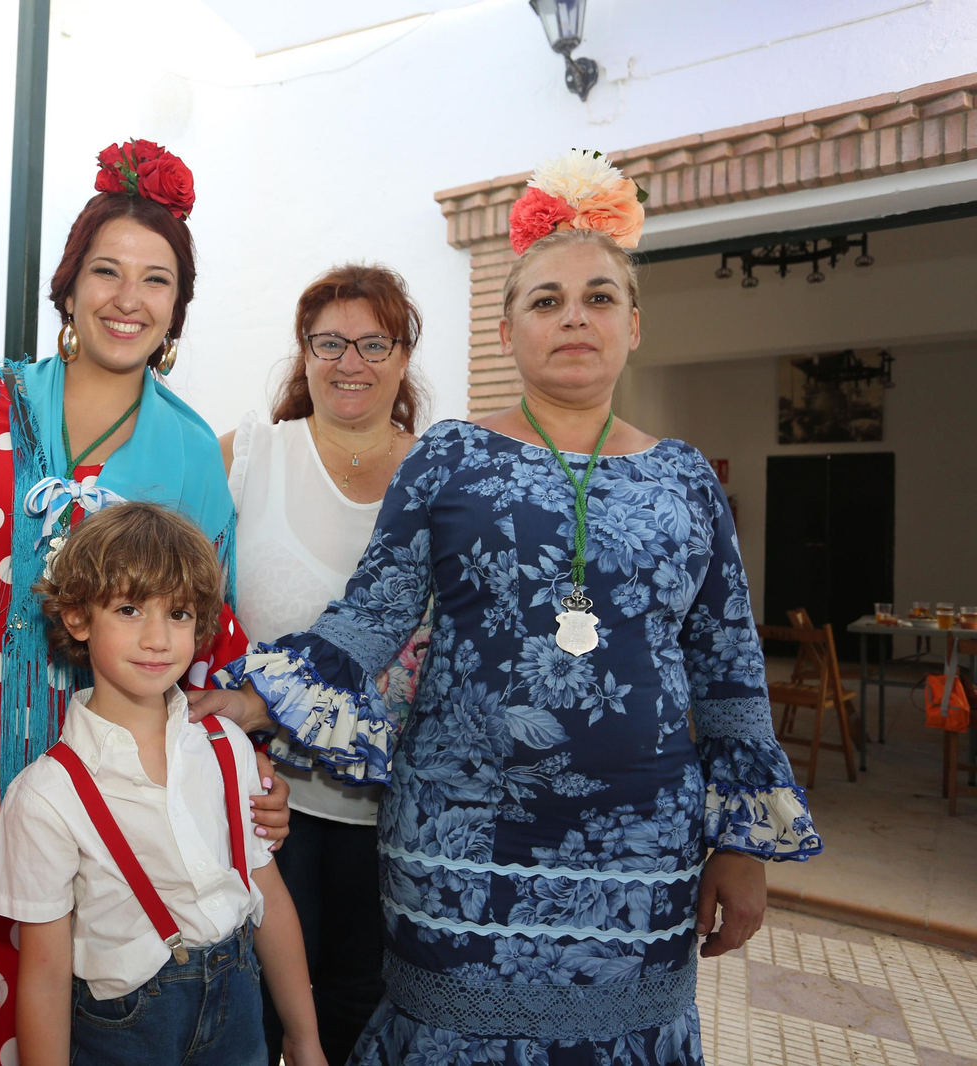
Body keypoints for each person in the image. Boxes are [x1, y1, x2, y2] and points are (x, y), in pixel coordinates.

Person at [192, 151, 822, 1066]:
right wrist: (250, 701)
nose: (575, 316)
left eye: (600, 298)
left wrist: (742, 848)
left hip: (644, 858)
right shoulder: (446, 459)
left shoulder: (687, 478)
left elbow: (727, 677)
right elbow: (370, 619)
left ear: (635, 326)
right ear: (505, 330)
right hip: (458, 848)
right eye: (547, 300)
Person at [0, 139, 288, 1066]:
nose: (128, 298)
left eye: (156, 281)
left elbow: (209, 630)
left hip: (111, 777)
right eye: (106, 271)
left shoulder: (193, 451)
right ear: (69, 286)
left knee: (92, 996)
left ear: (176, 309)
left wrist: (241, 781)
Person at [0, 503, 327, 1066]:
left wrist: (304, 1037)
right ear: (78, 618)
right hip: (126, 1031)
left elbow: (270, 900)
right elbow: (42, 977)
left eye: (180, 614)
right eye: (130, 609)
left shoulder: (226, 746)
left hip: (240, 1011)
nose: (159, 638)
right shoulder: (47, 795)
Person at [219, 263, 426, 1066]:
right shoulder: (253, 455)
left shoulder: (445, 475)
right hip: (268, 808)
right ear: (303, 353)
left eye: (374, 343)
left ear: (404, 357)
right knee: (258, 1019)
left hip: (403, 820)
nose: (351, 363)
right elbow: (170, 583)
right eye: (330, 342)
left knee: (368, 1021)